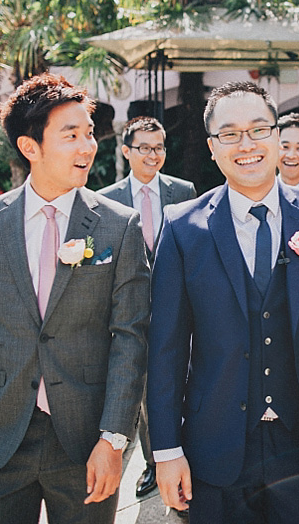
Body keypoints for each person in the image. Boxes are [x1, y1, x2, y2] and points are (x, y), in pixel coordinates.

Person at [147, 81, 299, 524]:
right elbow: (166, 348)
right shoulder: (182, 227)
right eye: (230, 134)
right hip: (213, 441)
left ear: (278, 137)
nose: (247, 144)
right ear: (212, 147)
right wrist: (166, 449)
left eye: (259, 130)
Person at [0, 73, 150, 524]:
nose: (87, 147)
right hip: (0, 432)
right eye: (70, 135)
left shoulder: (120, 225)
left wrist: (114, 439)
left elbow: (130, 338)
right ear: (29, 147)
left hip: (84, 437)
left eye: (89, 133)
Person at [98, 115, 196, 503]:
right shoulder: (107, 198)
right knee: (138, 389)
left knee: (175, 383)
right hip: (129, 309)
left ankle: (175, 457)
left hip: (177, 308)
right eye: (144, 147)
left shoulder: (184, 191)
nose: (153, 155)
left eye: (159, 147)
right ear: (126, 151)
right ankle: (155, 464)